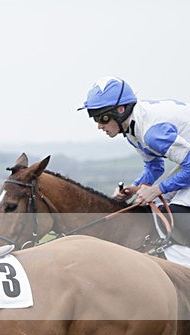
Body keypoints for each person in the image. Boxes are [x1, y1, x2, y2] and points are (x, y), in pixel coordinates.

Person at [79, 76, 190, 243]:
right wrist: (134, 188)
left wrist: (156, 189)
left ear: (121, 110)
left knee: (178, 212)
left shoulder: (151, 133)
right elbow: (155, 166)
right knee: (154, 210)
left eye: (102, 118)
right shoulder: (132, 129)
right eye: (95, 118)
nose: (99, 126)